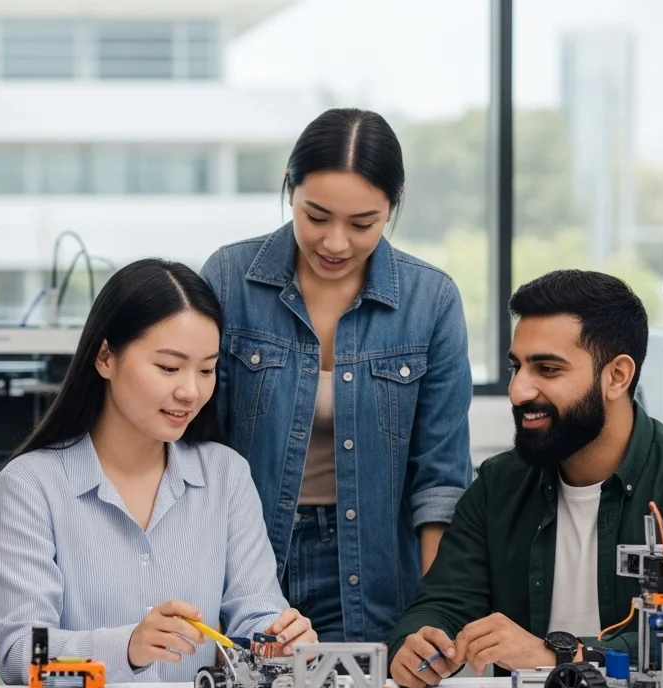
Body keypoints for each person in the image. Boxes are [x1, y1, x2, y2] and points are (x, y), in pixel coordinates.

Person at [386, 270, 663, 688]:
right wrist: (417, 644)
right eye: (517, 367)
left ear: (617, 376)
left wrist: (560, 655)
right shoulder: (501, 483)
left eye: (547, 369)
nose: (518, 391)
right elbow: (443, 604)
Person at [199, 108, 473, 643]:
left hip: (370, 569)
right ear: (289, 188)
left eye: (363, 224)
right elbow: (197, 447)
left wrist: (436, 612)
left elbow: (439, 479)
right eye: (316, 216)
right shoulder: (230, 279)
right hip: (241, 559)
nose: (335, 243)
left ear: (393, 207)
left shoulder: (431, 301)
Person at [0, 259, 317, 684]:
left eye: (206, 369)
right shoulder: (30, 485)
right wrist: (125, 647)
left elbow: (254, 614)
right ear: (105, 358)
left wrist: (279, 641)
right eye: (168, 367)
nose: (190, 390)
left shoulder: (226, 475)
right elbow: (19, 653)